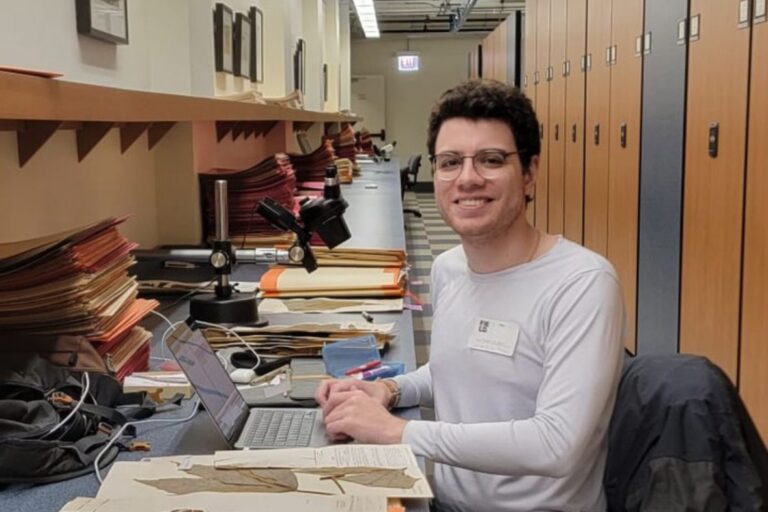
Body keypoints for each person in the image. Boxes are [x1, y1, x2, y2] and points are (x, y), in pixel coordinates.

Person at [315, 79, 625, 512]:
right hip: (447, 503)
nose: (468, 179)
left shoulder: (581, 283)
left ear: (530, 173)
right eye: (449, 162)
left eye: (491, 160)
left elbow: (557, 444)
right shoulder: (449, 268)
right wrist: (388, 391)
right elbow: (458, 369)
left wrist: (396, 431)